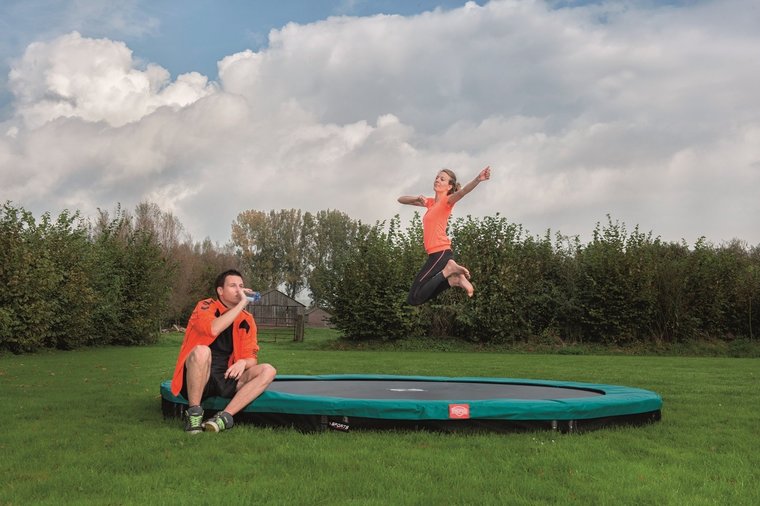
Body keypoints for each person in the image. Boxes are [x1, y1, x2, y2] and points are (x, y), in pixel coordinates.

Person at [170, 269, 277, 433]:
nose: (239, 290)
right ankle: (194, 415)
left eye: (241, 286)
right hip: (199, 376)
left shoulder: (247, 319)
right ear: (220, 291)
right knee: (202, 351)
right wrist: (242, 303)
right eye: (233, 286)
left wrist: (243, 362)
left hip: (225, 377)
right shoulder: (205, 306)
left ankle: (224, 418)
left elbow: (251, 358)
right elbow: (213, 329)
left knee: (268, 370)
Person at [398, 166, 491, 305]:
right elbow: (401, 199)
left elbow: (463, 192)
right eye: (437, 177)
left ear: (449, 186)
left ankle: (448, 270)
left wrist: (478, 179)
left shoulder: (446, 201)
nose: (437, 180)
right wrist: (417, 198)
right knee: (415, 299)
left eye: (442, 179)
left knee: (414, 299)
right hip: (437, 254)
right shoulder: (430, 203)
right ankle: (453, 280)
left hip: (440, 252)